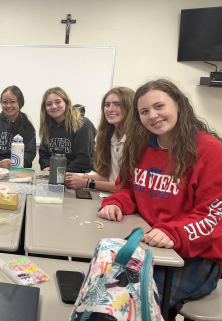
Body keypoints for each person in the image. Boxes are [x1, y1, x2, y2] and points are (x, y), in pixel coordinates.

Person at [98, 79, 222, 319]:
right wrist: (116, 201)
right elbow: (127, 188)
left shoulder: (210, 151)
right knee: (105, 288)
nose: (152, 116)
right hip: (147, 245)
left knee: (131, 302)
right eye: (144, 111)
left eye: (159, 106)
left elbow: (213, 219)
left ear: (178, 104)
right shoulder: (140, 146)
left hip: (195, 258)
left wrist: (174, 232)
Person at [65, 87, 135, 192]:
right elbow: (108, 177)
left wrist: (87, 183)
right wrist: (74, 178)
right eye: (107, 105)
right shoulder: (110, 136)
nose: (110, 109)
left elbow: (127, 186)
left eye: (117, 104)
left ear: (130, 107)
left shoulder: (136, 141)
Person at [39, 87, 96, 173]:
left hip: (81, 174)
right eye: (49, 104)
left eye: (58, 102)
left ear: (66, 102)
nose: (53, 106)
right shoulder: (48, 126)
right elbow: (44, 154)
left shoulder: (83, 124)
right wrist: (46, 166)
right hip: (57, 173)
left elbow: (83, 160)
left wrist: (59, 172)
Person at [0, 85, 36, 168]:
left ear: (20, 103)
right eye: (4, 102)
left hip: (18, 171)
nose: (8, 105)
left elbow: (29, 154)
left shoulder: (27, 126)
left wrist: (14, 163)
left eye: (12, 101)